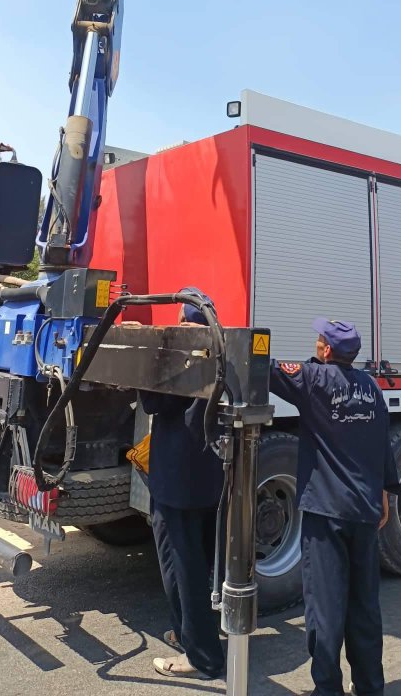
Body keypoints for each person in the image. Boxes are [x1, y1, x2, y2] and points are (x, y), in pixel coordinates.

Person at [270, 318, 400, 696]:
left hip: (326, 514)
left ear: (326, 349)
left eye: (319, 338)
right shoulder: (371, 389)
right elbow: (382, 446)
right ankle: (370, 687)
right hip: (364, 513)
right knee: (363, 606)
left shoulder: (313, 379)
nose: (315, 341)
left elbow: (264, 367)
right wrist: (385, 495)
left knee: (324, 611)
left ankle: (327, 690)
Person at [141, 288, 225, 681]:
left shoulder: (185, 355)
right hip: (206, 477)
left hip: (177, 481)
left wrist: (145, 364)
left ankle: (201, 657)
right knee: (197, 563)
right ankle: (190, 634)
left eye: (180, 319)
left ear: (187, 321)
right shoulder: (221, 352)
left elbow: (156, 403)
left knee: (181, 566)